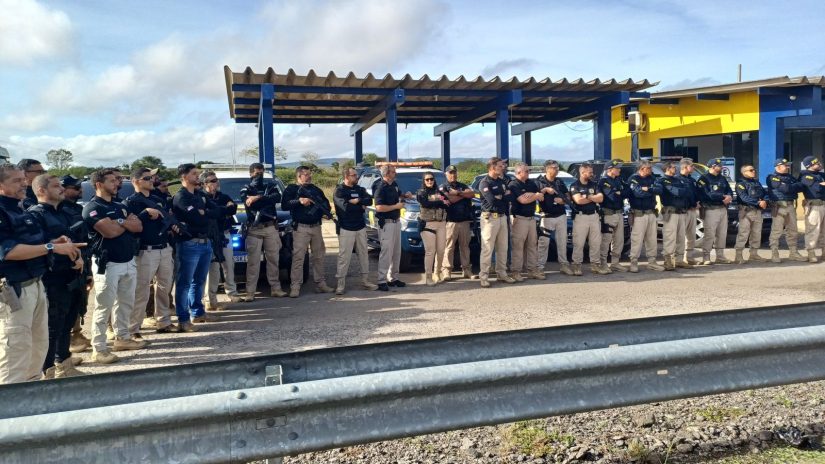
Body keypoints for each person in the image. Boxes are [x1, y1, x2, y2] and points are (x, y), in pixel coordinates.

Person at [0, 165, 83, 384]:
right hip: (14, 290)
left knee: (37, 347)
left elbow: (33, 243)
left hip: (36, 284)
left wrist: (54, 243)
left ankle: (32, 401)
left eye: (23, 179)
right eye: (17, 181)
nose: (24, 184)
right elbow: (8, 252)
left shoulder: (18, 209)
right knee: (15, 351)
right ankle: (10, 410)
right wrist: (51, 248)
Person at [82, 168, 145, 364]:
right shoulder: (92, 207)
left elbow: (138, 227)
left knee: (125, 303)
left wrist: (120, 222)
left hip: (128, 261)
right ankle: (99, 348)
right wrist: (124, 223)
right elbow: (108, 232)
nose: (116, 184)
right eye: (112, 181)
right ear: (99, 184)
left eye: (117, 180)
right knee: (103, 307)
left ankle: (122, 338)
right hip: (107, 264)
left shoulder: (120, 206)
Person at [28, 174, 87, 378]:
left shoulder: (62, 213)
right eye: (56, 186)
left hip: (70, 278)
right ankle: (47, 372)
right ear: (42, 191)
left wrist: (78, 258)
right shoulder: (35, 215)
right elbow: (38, 247)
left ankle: (64, 365)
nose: (61, 189)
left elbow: (71, 241)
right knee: (51, 329)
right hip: (51, 280)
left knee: (67, 324)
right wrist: (56, 246)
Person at [173, 163, 225, 331]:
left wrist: (204, 213)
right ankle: (183, 319)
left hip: (205, 242)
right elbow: (196, 218)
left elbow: (217, 211)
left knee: (199, 281)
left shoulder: (200, 195)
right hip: (189, 243)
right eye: (194, 173)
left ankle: (198, 313)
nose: (197, 176)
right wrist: (202, 214)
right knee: (184, 283)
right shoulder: (181, 197)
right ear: (184, 177)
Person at [124, 168, 176, 334]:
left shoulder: (157, 199)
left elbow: (166, 219)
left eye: (152, 178)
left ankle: (163, 321)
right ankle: (133, 328)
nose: (151, 180)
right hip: (146, 251)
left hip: (164, 248)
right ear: (135, 181)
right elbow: (130, 226)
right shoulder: (130, 202)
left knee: (164, 288)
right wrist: (145, 214)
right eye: (147, 178)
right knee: (141, 290)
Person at [281, 166, 334, 297]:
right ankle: (295, 286)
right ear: (298, 176)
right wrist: (299, 201)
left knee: (319, 257)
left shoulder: (315, 189)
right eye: (306, 174)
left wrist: (326, 212)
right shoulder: (291, 189)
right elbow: (284, 205)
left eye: (310, 174)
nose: (309, 176)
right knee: (298, 258)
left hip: (316, 227)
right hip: (301, 228)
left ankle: (320, 284)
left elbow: (326, 204)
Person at [239, 163, 286, 301]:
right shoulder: (245, 188)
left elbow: (276, 198)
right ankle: (250, 292)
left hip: (270, 227)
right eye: (256, 173)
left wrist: (258, 197)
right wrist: (258, 200)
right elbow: (249, 203)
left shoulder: (270, 186)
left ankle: (276, 289)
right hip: (255, 228)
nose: (259, 175)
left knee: (273, 259)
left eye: (261, 172)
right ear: (250, 174)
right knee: (253, 262)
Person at [60, 175, 93, 354]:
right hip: (67, 265)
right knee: (65, 307)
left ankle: (76, 334)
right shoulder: (60, 210)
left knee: (80, 301)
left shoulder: (75, 208)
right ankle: (68, 341)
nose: (80, 190)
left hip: (82, 261)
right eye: (75, 187)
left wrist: (87, 271)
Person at [332, 167, 378, 294]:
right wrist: (360, 206)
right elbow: (345, 208)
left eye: (356, 175)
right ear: (347, 177)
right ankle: (340, 285)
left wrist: (358, 201)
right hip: (346, 227)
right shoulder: (339, 190)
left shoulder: (359, 189)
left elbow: (369, 200)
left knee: (364, 254)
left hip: (360, 226)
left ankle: (365, 281)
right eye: (354, 175)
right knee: (344, 257)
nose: (356, 177)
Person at [201, 170, 241, 309]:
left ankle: (232, 292)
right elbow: (210, 213)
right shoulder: (202, 197)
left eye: (216, 180)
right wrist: (223, 210)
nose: (216, 182)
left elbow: (233, 209)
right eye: (212, 180)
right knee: (212, 268)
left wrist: (220, 210)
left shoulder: (223, 196)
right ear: (205, 183)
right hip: (210, 236)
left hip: (225, 234)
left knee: (229, 264)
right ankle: (209, 299)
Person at [478, 157, 516, 287]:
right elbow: (492, 201)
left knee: (503, 248)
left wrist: (502, 196)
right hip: (490, 219)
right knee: (488, 249)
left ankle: (502, 273)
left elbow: (510, 197)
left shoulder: (502, 181)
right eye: (500, 166)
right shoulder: (484, 183)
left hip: (502, 217)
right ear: (493, 167)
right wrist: (502, 196)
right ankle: (484, 276)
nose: (503, 167)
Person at [373, 164, 412, 291]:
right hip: (387, 223)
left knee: (396, 252)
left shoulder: (394, 185)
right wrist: (396, 207)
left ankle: (393, 278)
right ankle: (381, 280)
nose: (395, 174)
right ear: (387, 174)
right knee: (386, 252)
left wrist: (405, 196)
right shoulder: (380, 187)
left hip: (396, 222)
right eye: (393, 172)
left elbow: (398, 195)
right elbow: (378, 207)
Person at [508, 162, 544, 281]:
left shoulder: (531, 183)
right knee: (518, 246)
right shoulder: (513, 184)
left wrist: (532, 195)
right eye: (526, 171)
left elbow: (541, 196)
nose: (529, 173)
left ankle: (532, 270)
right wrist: (535, 196)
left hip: (532, 218)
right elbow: (523, 200)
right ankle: (516, 271)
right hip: (520, 218)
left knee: (532, 245)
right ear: (519, 172)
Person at [766, 158, 806, 263]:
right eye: (785, 165)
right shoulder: (772, 178)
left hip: (790, 206)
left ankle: (793, 253)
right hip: (778, 207)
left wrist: (790, 186)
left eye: (788, 165)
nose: (788, 167)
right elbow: (785, 189)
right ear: (778, 167)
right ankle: (774, 253)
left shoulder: (790, 177)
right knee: (777, 231)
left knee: (793, 230)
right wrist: (791, 187)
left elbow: (801, 187)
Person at [627, 160, 664, 273]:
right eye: (649, 168)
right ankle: (633, 262)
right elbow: (638, 194)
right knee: (637, 239)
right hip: (639, 214)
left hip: (651, 212)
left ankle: (652, 262)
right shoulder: (634, 179)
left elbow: (660, 190)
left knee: (652, 239)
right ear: (642, 169)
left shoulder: (652, 177)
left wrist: (647, 188)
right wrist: (650, 190)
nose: (651, 170)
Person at [569, 163, 606, 276]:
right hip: (581, 217)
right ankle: (576, 265)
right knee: (579, 243)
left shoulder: (594, 184)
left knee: (595, 242)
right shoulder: (575, 185)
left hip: (594, 216)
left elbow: (600, 198)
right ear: (582, 172)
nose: (592, 174)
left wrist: (588, 197)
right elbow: (578, 200)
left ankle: (595, 265)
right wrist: (593, 198)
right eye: (589, 172)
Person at [440, 165, 475, 280]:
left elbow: (472, 194)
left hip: (464, 221)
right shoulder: (443, 187)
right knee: (449, 247)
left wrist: (458, 193)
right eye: (450, 173)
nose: (453, 175)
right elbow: (450, 199)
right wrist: (463, 195)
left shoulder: (462, 186)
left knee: (465, 247)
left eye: (454, 172)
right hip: (450, 222)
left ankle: (466, 270)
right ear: (446, 174)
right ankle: (446, 271)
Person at [656, 161, 693, 270]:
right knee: (670, 237)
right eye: (673, 167)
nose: (675, 169)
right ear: (667, 168)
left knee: (681, 237)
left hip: (681, 211)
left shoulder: (678, 179)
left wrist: (681, 191)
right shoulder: (662, 181)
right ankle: (668, 260)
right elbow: (676, 192)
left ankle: (679, 260)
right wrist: (681, 191)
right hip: (670, 212)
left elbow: (688, 191)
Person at [696, 158, 734, 265]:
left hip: (722, 209)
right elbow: (708, 194)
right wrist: (723, 197)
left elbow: (729, 189)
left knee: (722, 234)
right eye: (719, 165)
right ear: (712, 166)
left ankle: (720, 256)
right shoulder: (703, 179)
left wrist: (729, 196)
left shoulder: (722, 178)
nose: (721, 167)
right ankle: (706, 257)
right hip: (710, 209)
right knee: (710, 234)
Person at [416, 172, 449, 286]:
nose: (430, 181)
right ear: (424, 181)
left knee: (441, 251)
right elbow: (425, 203)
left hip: (441, 224)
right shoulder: (421, 192)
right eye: (427, 179)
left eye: (431, 179)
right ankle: (428, 277)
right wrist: (440, 202)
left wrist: (439, 201)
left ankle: (437, 272)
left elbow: (447, 203)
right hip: (427, 224)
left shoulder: (438, 192)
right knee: (430, 251)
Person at [733, 165, 769, 264]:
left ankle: (754, 254)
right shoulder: (740, 184)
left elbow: (764, 193)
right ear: (744, 172)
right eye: (751, 170)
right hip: (746, 212)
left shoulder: (756, 182)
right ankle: (738, 256)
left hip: (757, 212)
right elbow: (744, 197)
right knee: (743, 233)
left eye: (754, 170)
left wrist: (765, 200)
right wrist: (758, 203)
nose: (754, 171)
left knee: (756, 234)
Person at [597, 160, 627, 273]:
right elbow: (612, 197)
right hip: (608, 214)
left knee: (619, 240)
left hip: (619, 213)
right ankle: (603, 263)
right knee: (606, 240)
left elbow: (628, 192)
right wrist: (619, 193)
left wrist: (620, 192)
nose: (619, 170)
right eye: (617, 168)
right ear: (610, 169)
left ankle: (615, 263)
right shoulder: (603, 182)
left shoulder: (619, 180)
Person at [798, 156, 825, 263]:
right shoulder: (805, 176)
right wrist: (821, 185)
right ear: (810, 165)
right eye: (817, 163)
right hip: (814, 206)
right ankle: (811, 252)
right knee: (813, 230)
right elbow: (816, 189)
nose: (819, 164)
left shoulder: (820, 174)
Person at [677, 159, 702, 265]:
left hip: (692, 210)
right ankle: (679, 259)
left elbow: (695, 193)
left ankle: (689, 258)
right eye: (691, 166)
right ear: (685, 167)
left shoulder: (691, 179)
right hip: (683, 210)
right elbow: (682, 195)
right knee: (681, 236)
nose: (693, 168)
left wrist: (697, 202)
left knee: (691, 236)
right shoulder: (677, 179)